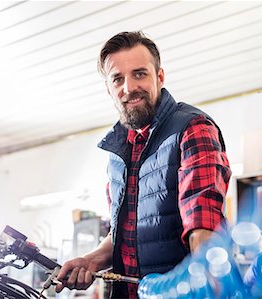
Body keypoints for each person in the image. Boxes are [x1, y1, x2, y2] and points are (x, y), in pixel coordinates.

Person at [56, 31, 231, 298]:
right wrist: (93, 260)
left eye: (139, 74)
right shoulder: (116, 151)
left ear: (159, 77)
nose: (129, 87)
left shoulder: (192, 128)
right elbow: (125, 231)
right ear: (109, 88)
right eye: (118, 78)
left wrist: (206, 280)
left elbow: (202, 217)